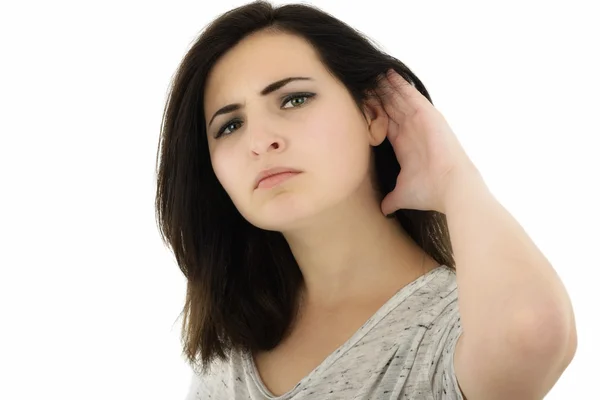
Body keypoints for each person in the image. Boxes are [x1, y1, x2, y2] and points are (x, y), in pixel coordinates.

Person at [154, 1, 577, 399]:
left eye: (294, 99)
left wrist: (453, 177)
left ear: (372, 115)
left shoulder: (453, 325)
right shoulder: (233, 340)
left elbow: (532, 333)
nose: (260, 141)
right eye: (229, 125)